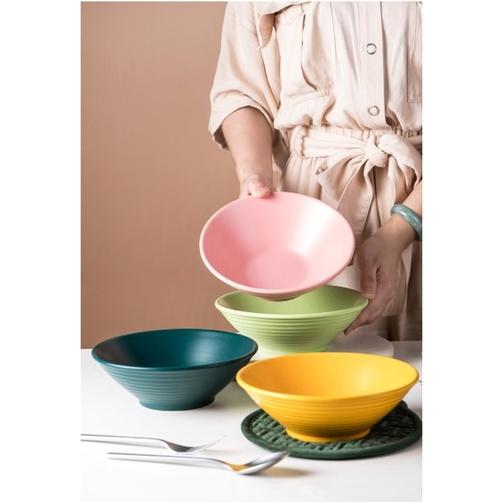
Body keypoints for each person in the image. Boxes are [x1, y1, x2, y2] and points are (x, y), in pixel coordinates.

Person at [208, 1, 422, 341]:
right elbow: (242, 93)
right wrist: (254, 176)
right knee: (321, 364)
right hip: (311, 222)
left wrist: (401, 230)